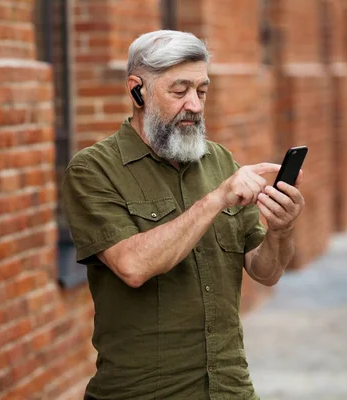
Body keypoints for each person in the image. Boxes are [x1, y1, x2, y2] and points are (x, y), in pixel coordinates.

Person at [62, 30, 305, 400]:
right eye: (179, 91)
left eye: (202, 91)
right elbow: (132, 266)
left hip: (229, 387)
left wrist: (281, 229)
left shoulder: (220, 160)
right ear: (137, 90)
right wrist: (216, 199)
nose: (194, 104)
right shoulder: (93, 170)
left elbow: (265, 271)